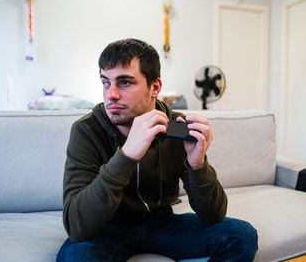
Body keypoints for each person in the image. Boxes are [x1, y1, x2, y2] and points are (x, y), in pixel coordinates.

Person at [57, 38, 258, 262]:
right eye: (106, 82)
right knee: (75, 257)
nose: (111, 94)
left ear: (155, 87)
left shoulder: (176, 127)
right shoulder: (86, 131)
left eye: (124, 83)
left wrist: (198, 165)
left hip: (162, 223)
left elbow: (214, 215)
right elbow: (77, 227)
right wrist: (126, 156)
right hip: (108, 228)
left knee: (242, 236)